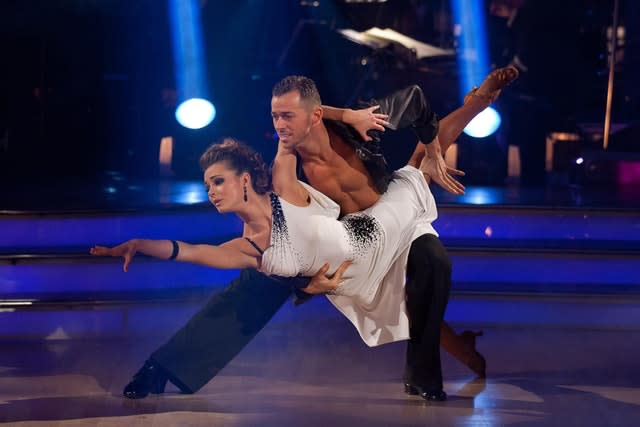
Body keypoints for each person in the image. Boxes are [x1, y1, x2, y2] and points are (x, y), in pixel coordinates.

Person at [101, 67, 516, 401]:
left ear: (315, 116)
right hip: (344, 245)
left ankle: (434, 370)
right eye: (275, 118)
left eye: (288, 117)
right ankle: (162, 368)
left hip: (396, 223)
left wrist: (439, 134)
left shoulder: (359, 124)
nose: (280, 126)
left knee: (433, 265)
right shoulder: (286, 162)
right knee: (258, 280)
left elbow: (413, 107)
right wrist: (307, 283)